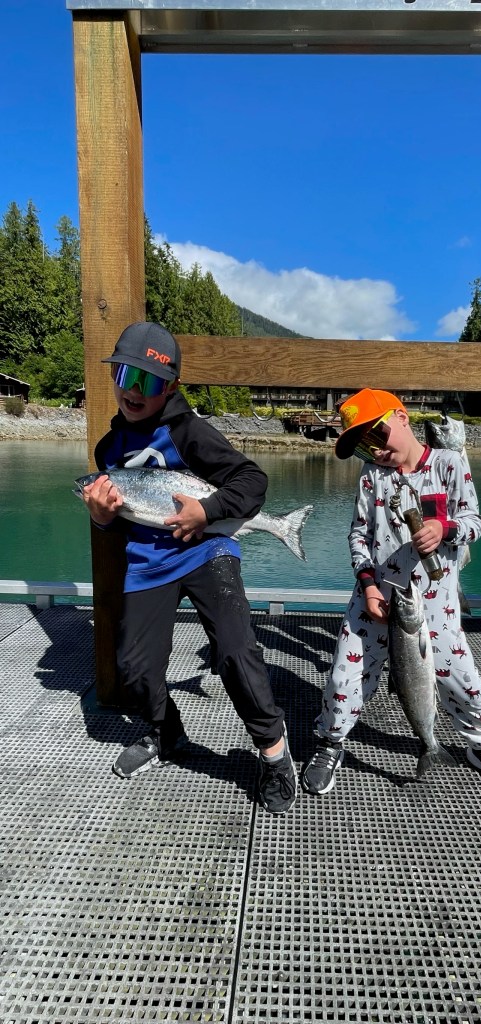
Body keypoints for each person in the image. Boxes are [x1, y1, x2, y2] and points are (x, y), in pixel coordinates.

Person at [81, 321, 297, 815]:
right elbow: (119, 526)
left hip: (207, 552)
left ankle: (273, 751)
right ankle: (167, 733)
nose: (135, 391)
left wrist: (207, 511)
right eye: (125, 376)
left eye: (150, 381)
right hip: (149, 563)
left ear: (171, 386)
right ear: (113, 376)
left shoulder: (188, 431)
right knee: (134, 667)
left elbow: (252, 480)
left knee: (235, 652)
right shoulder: (108, 450)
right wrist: (101, 519)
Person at [301, 388, 481, 798]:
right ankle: (331, 741)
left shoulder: (449, 462)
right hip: (374, 597)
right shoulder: (371, 475)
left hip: (436, 604)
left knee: (461, 676)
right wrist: (368, 585)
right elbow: (358, 536)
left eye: (377, 434)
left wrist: (445, 529)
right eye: (363, 446)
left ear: (402, 417)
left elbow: (473, 522)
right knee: (343, 676)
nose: (375, 449)